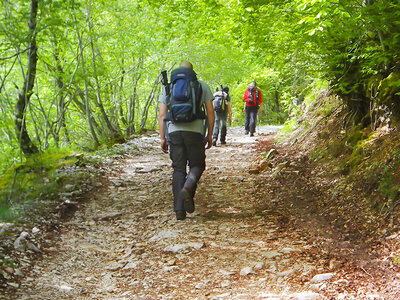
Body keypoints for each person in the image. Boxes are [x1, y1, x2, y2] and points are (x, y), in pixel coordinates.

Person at [158, 61, 215, 220]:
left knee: (178, 169)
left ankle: (179, 211)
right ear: (192, 72)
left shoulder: (168, 87)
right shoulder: (201, 85)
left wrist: (163, 138)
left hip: (174, 131)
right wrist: (210, 134)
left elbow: (162, 115)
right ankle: (189, 186)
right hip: (195, 132)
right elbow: (210, 112)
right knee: (197, 165)